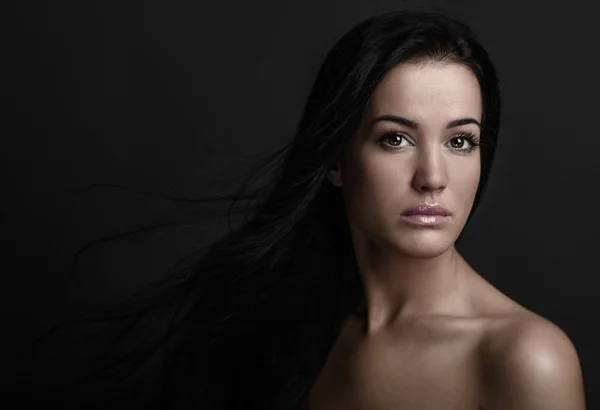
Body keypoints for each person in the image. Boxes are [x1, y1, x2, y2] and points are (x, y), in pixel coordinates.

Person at [19, 8, 586, 410]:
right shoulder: (291, 324)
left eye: (460, 141)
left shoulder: (526, 358)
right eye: (395, 138)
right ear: (335, 160)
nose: (433, 177)